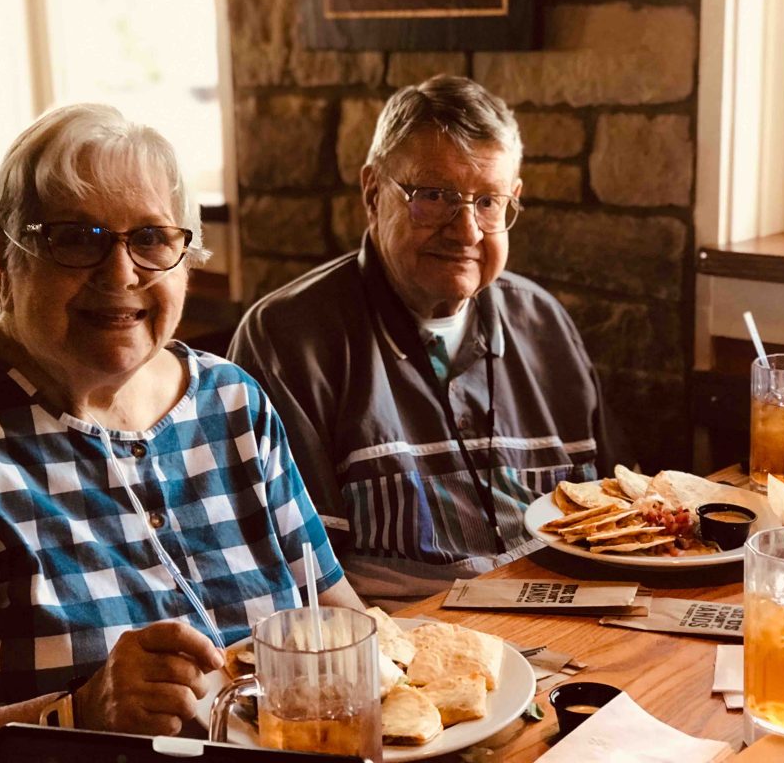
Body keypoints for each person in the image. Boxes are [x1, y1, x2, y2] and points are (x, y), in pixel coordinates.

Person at [0, 104, 361, 762]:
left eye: (153, 239)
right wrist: (81, 713)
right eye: (75, 238)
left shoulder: (232, 403)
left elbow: (343, 625)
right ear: (2, 258)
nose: (120, 274)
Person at [229, 76, 627, 610]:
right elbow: (293, 580)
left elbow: (616, 513)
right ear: (373, 193)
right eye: (434, 197)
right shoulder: (286, 339)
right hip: (402, 654)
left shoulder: (545, 323)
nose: (466, 231)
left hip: (570, 621)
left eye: (488, 202)